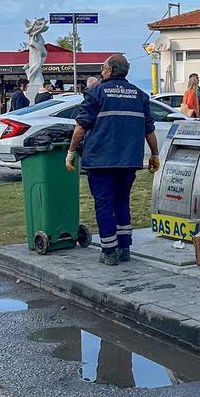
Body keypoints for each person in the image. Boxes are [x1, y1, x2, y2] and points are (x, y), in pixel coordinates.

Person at [67, 54, 159, 266]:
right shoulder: (139, 95)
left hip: (100, 160)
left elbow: (81, 126)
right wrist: (155, 155)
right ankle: (124, 247)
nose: (101, 71)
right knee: (122, 201)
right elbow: (149, 130)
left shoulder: (96, 93)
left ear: (109, 71)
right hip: (128, 161)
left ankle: (109, 251)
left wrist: (71, 151)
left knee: (104, 204)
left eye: (103, 68)